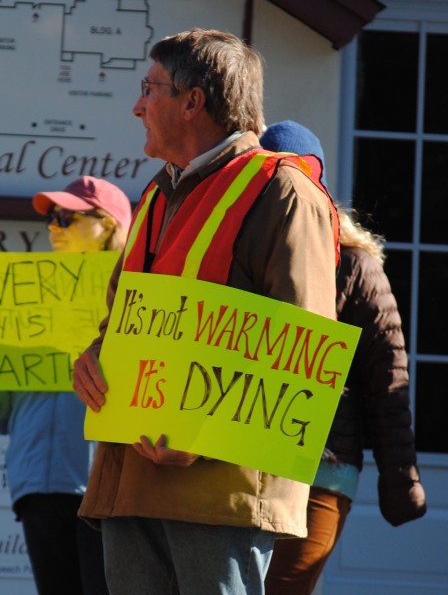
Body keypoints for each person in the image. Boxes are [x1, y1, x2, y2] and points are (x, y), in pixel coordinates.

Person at [72, 29, 340, 595]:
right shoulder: (154, 194)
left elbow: (303, 356)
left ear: (193, 101)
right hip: (128, 483)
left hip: (219, 493)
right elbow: (120, 323)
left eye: (151, 88)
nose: (137, 105)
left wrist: (206, 433)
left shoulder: (284, 192)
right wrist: (94, 359)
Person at [260, 120, 427, 595]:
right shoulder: (244, 253)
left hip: (321, 470)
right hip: (243, 466)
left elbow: (387, 379)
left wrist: (401, 484)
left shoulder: (354, 266)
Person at [0, 176, 132, 595]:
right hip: (36, 482)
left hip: (103, 485)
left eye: (66, 217)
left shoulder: (137, 297)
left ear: (108, 224)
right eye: (51, 220)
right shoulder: (25, 297)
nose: (54, 226)